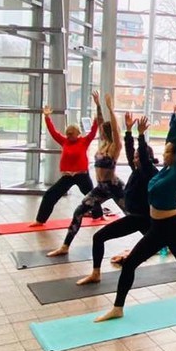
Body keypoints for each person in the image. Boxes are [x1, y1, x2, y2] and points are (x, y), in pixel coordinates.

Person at [96, 98, 176, 322]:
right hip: (156, 228)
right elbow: (172, 140)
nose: (163, 152)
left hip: (174, 229)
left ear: (173, 155)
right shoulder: (162, 171)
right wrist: (175, 117)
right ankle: (118, 307)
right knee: (130, 264)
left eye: (167, 151)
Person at [76, 113, 156, 285]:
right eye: (134, 157)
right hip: (134, 219)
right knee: (99, 237)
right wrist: (128, 131)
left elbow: (142, 155)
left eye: (138, 157)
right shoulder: (136, 170)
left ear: (146, 159)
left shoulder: (149, 172)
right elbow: (129, 152)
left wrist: (141, 135)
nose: (134, 159)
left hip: (144, 219)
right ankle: (96, 273)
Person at [48, 94, 123, 257]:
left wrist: (110, 108)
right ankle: (65, 246)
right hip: (101, 188)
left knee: (135, 216)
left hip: (115, 187)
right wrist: (98, 105)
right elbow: (102, 123)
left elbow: (115, 130)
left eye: (103, 130)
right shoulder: (102, 144)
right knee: (79, 211)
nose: (100, 131)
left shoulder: (114, 147)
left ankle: (159, 243)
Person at [31, 94, 99, 226]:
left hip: (82, 175)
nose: (68, 136)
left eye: (71, 134)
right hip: (67, 176)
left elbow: (94, 130)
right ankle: (40, 220)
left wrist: (97, 108)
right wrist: (46, 117)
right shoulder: (64, 141)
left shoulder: (84, 141)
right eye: (67, 134)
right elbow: (53, 132)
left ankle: (98, 216)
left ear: (77, 133)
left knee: (92, 196)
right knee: (50, 195)